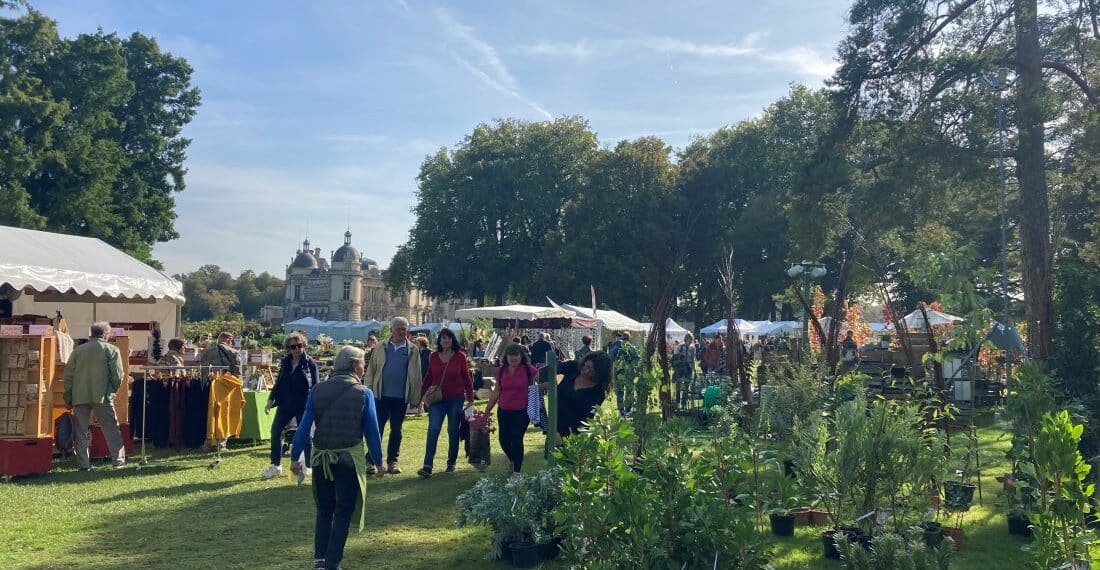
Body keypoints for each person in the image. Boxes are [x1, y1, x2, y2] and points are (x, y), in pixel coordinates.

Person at [290, 346, 384, 570]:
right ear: (354, 365)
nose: (364, 368)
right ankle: (333, 563)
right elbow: (372, 431)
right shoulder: (364, 393)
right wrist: (379, 461)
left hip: (321, 458)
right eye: (362, 363)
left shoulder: (318, 390)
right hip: (348, 459)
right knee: (343, 511)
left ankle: (320, 560)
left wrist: (295, 456)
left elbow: (304, 427)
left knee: (324, 509)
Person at [63, 322, 127, 470]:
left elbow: (68, 376)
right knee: (111, 429)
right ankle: (118, 461)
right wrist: (111, 391)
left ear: (91, 333)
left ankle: (83, 464)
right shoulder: (111, 349)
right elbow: (118, 375)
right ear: (106, 334)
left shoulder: (78, 351)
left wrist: (68, 396)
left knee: (81, 432)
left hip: (79, 395)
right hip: (102, 395)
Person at [364, 317, 421, 475]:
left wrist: (416, 398)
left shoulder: (412, 350)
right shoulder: (381, 346)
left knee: (396, 430)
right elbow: (371, 370)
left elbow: (416, 375)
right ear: (392, 330)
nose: (402, 331)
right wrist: (368, 390)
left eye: (404, 328)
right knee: (377, 429)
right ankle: (371, 460)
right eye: (398, 329)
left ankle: (392, 461)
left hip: (400, 397)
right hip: (381, 395)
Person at [417, 328, 475, 478]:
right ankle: (427, 465)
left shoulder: (460, 356)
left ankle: (451, 462)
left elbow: (467, 378)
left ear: (452, 340)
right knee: (433, 429)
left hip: (455, 399)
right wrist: (420, 398)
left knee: (453, 430)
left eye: (449, 337)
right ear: (439, 340)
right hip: (437, 400)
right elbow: (429, 377)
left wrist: (471, 399)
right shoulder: (433, 356)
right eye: (443, 338)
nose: (446, 340)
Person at [262, 332, 319, 480]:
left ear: (303, 345)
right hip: (285, 404)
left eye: (299, 345)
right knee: (275, 432)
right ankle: (276, 465)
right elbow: (279, 383)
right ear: (288, 348)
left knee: (306, 436)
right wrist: (270, 399)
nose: (296, 349)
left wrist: (315, 405)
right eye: (293, 346)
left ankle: (308, 466)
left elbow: (316, 386)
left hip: (303, 404)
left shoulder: (310, 363)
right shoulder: (285, 362)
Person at [484, 343, 537, 481]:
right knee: (504, 440)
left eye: (516, 355)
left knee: (517, 439)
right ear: (506, 357)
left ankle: (517, 473)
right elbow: (496, 392)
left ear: (521, 356)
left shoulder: (528, 370)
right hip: (504, 410)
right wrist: (488, 409)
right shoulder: (500, 371)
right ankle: (513, 459)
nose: (513, 358)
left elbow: (542, 381)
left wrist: (548, 384)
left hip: (522, 411)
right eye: (510, 356)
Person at [556, 351, 612, 440]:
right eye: (587, 366)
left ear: (599, 374)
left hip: (577, 435)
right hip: (554, 427)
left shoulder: (598, 391)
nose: (586, 371)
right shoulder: (573, 367)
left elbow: (585, 417)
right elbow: (551, 369)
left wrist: (564, 438)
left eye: (592, 371)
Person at [612, 331, 640, 417]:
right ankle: (628, 409)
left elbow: (611, 358)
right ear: (629, 338)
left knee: (619, 392)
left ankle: (621, 410)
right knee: (629, 391)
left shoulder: (616, 347)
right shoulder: (632, 347)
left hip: (619, 373)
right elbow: (637, 359)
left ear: (622, 338)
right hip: (629, 373)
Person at [672, 333, 698, 408]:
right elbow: (675, 357)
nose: (690, 340)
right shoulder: (680, 346)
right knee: (678, 386)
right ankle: (677, 403)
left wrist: (694, 369)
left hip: (689, 368)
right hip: (680, 368)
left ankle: (684, 403)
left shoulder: (693, 348)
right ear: (686, 338)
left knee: (686, 386)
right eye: (689, 339)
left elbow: (693, 359)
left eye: (691, 339)